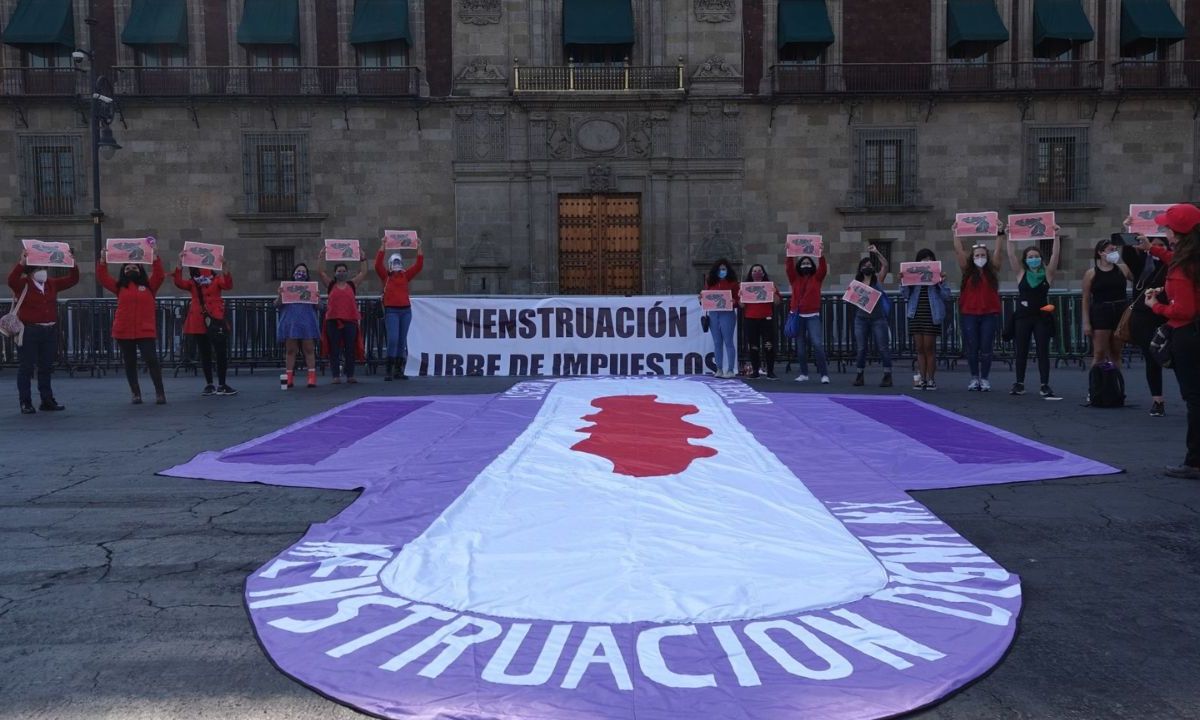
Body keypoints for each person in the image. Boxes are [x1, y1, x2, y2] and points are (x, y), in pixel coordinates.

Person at [1144, 203, 1200, 479]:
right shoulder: (1191, 258)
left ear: (1177, 232)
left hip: (1187, 335)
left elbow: (1183, 311)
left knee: (1194, 399)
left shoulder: (1183, 268)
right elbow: (1174, 261)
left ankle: (1194, 461)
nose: (1165, 230)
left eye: (1167, 227)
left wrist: (1156, 306)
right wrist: (1153, 250)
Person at [8, 247, 79, 414]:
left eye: (44, 269)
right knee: (26, 367)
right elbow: (11, 280)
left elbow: (73, 280)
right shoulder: (23, 284)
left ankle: (47, 400)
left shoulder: (51, 284)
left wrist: (71, 262)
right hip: (29, 330)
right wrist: (21, 263)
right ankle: (25, 402)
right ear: (31, 272)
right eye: (38, 269)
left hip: (49, 330)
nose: (42, 272)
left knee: (46, 367)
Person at [98, 254, 167, 405]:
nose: (130, 270)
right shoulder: (119, 287)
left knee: (151, 360)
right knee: (130, 362)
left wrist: (155, 257)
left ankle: (160, 393)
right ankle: (136, 393)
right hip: (124, 330)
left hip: (145, 330)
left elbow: (159, 275)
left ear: (140, 270)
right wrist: (103, 261)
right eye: (127, 268)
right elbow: (103, 278)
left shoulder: (150, 286)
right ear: (123, 272)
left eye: (134, 267)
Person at [1005, 229, 1062, 400]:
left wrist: (1057, 237)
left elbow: (1055, 256)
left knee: (1042, 350)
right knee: (1021, 350)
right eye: (1030, 257)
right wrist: (1009, 236)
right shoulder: (1021, 273)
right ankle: (1019, 383)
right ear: (1026, 260)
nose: (1033, 259)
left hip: (1041, 317)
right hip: (1023, 317)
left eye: (1036, 256)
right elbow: (1011, 255)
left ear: (1040, 258)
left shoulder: (1048, 274)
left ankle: (1044, 385)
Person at [1126, 228, 1173, 416]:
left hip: (1167, 315)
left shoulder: (1173, 264)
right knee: (1151, 357)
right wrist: (1129, 231)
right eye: (1154, 245)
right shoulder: (1142, 265)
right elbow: (1128, 254)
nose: (1157, 248)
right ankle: (1157, 400)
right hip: (1144, 317)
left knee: (1177, 356)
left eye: (1161, 245)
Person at [173, 259, 236, 396]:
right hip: (199, 318)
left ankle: (221, 383)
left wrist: (225, 268)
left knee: (221, 352)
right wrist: (179, 265)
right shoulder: (193, 282)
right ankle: (210, 384)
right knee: (205, 352)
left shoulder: (217, 280)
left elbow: (228, 285)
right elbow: (178, 283)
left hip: (215, 318)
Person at [953, 230, 1004, 392]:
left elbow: (998, 252)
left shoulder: (992, 271)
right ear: (972, 258)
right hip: (969, 314)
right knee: (972, 347)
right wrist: (955, 232)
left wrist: (999, 234)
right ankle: (974, 377)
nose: (979, 258)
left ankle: (985, 378)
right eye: (977, 255)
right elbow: (959, 251)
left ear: (987, 258)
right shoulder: (967, 272)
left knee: (986, 347)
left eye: (982, 255)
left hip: (989, 314)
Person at [903, 248, 952, 390]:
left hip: (931, 314)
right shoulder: (913, 278)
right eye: (923, 259)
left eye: (929, 259)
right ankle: (922, 378)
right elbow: (905, 294)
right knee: (919, 348)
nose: (926, 261)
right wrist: (904, 280)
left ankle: (931, 379)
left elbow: (946, 295)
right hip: (916, 313)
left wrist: (940, 282)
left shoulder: (938, 277)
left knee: (929, 348)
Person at [1082, 238, 1132, 369]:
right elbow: (1086, 299)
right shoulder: (1091, 273)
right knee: (1099, 353)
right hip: (1101, 311)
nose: (1114, 252)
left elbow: (1139, 280)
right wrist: (1086, 322)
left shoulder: (1123, 269)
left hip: (1120, 310)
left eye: (1115, 250)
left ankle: (1116, 385)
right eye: (1111, 250)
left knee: (1116, 353)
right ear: (1101, 252)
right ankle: (1095, 387)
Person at [375, 246, 424, 380]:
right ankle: (389, 369)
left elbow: (418, 265)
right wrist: (383, 247)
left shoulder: (405, 275)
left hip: (405, 311)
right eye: (395, 262)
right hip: (392, 311)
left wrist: (419, 248)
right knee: (393, 339)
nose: (397, 264)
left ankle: (398, 369)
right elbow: (377, 264)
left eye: (398, 262)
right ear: (391, 264)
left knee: (402, 341)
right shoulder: (386, 276)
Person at [319, 259, 368, 384]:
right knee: (334, 349)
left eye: (344, 271)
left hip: (350, 321)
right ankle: (336, 376)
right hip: (333, 321)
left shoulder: (352, 284)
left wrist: (363, 258)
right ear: (335, 273)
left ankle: (350, 375)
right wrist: (321, 257)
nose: (341, 273)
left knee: (350, 349)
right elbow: (321, 272)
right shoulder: (330, 285)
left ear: (347, 273)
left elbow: (363, 272)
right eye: (339, 271)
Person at [852, 246, 893, 388]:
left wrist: (876, 252)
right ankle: (859, 375)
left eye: (869, 265)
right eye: (864, 266)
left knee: (882, 347)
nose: (867, 268)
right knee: (861, 348)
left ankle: (887, 374)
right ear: (860, 269)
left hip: (877, 317)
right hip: (861, 318)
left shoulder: (878, 280)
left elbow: (885, 265)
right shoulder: (857, 283)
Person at [784, 254, 830, 383]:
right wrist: (790, 254)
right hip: (797, 316)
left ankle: (824, 374)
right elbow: (789, 268)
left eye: (808, 263)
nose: (806, 265)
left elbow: (823, 269)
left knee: (817, 344)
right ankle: (804, 373)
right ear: (799, 266)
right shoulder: (794, 279)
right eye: (803, 263)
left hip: (812, 316)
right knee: (800, 346)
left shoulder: (817, 278)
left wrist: (821, 254)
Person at [276, 262, 320, 389]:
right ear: (293, 274)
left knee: (309, 350)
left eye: (303, 272)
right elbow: (277, 305)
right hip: (291, 323)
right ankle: (289, 378)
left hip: (307, 322)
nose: (300, 274)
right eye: (298, 271)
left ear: (307, 275)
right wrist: (280, 294)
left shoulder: (311, 289)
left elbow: (320, 307)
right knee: (290, 351)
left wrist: (317, 297)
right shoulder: (286, 288)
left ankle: (311, 378)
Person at [702, 258, 739, 378]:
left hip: (727, 314)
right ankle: (718, 369)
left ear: (728, 270)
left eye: (724, 269)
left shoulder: (733, 283)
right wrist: (701, 299)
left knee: (728, 342)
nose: (722, 271)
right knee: (717, 342)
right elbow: (706, 298)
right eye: (719, 269)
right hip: (713, 314)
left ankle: (730, 369)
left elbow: (738, 300)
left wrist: (734, 301)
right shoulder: (710, 282)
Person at [742, 264, 779, 379]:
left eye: (759, 270)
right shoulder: (746, 287)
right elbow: (741, 305)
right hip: (751, 318)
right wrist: (741, 296)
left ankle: (770, 371)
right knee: (753, 346)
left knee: (769, 345)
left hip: (766, 318)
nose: (757, 272)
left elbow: (777, 302)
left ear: (763, 273)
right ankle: (755, 371)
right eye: (754, 271)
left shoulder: (770, 285)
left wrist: (773, 293)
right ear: (751, 273)